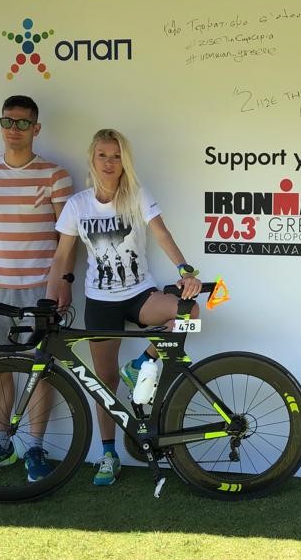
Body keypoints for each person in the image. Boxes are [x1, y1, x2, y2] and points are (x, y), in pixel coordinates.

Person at [46, 128, 201, 487]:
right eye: (102, 155)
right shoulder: (77, 205)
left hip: (139, 295)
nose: (109, 162)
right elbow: (61, 256)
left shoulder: (136, 195)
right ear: (92, 158)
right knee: (105, 383)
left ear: (124, 161)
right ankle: (108, 454)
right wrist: (50, 297)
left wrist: (184, 269)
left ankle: (141, 363)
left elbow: (162, 233)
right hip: (100, 303)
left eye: (116, 156)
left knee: (189, 313)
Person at [0, 95, 74, 482]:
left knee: (41, 370)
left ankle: (35, 449)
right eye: (8, 121)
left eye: (23, 123)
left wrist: (63, 282)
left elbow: (66, 238)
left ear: (36, 128)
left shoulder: (55, 175)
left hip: (39, 288)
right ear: (1, 124)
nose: (14, 129)